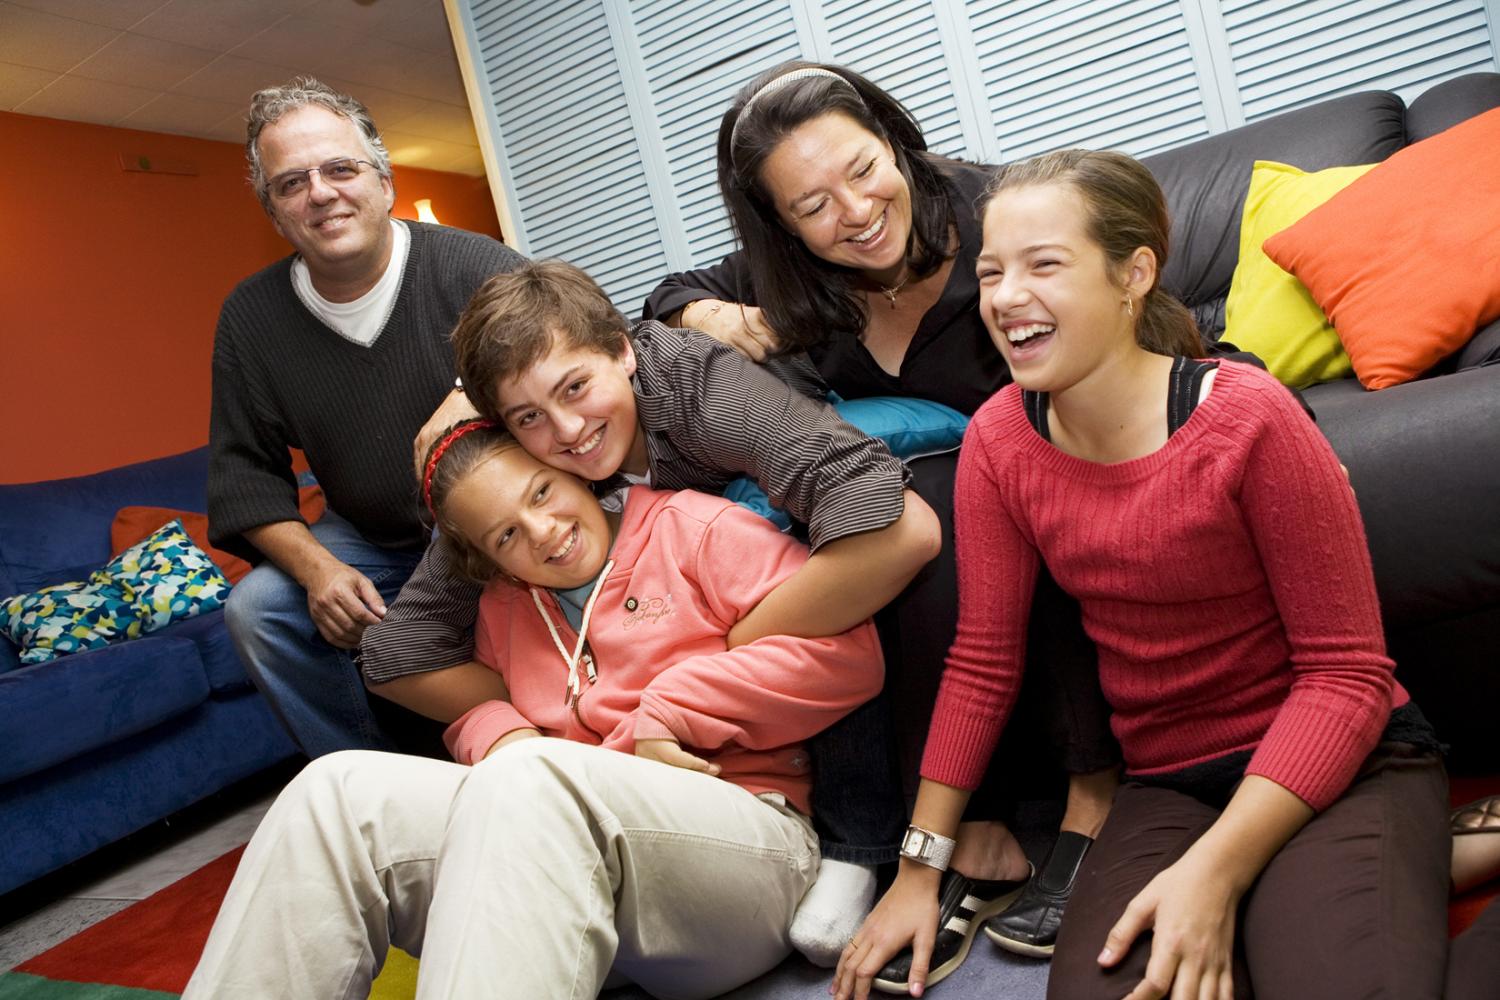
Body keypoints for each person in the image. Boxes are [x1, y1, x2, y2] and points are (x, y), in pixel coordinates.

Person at [833, 149, 1456, 1000]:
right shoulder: (999, 442)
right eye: (991, 272)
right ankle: (1398, 866)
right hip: (1168, 786)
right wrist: (917, 869)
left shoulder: (1246, 415)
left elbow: (1346, 677)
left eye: (1043, 264)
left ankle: (1386, 857)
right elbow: (981, 665)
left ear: (1134, 275)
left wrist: (1217, 874)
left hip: (1338, 758)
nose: (1006, 296)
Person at [642, 61, 1141, 976]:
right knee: (879, 509)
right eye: (811, 205)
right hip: (942, 535)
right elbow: (664, 294)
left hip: (1057, 483)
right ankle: (968, 827)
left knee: (962, 485)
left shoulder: (1004, 212)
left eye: (863, 170)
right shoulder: (792, 279)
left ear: (896, 140)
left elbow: (1142, 327)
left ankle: (1091, 796)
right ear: (780, 225)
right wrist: (710, 311)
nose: (854, 212)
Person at [359, 259, 941, 963]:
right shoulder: (520, 478)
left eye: (577, 389)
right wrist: (544, 713)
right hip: (653, 652)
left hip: (781, 510)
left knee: (820, 562)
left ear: (623, 350)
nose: (568, 430)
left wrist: (722, 649)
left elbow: (893, 525)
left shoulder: (700, 390)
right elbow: (396, 657)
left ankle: (857, 843)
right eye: (530, 418)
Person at [184, 421, 884, 1000]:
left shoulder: (695, 528)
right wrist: (502, 732)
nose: (544, 532)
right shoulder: (507, 607)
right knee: (333, 792)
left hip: (748, 853)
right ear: (489, 561)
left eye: (542, 492)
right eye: (507, 536)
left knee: (534, 774)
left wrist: (671, 709)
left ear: (575, 472)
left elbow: (849, 654)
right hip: (572, 879)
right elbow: (489, 718)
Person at [206, 76, 522, 758]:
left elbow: (572, 353)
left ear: (383, 182)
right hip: (369, 536)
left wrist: (471, 391)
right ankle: (373, 775)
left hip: (490, 519)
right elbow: (244, 474)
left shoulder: (477, 266)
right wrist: (318, 570)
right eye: (292, 183)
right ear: (275, 212)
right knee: (257, 611)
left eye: (340, 169)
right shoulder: (250, 318)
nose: (320, 192)